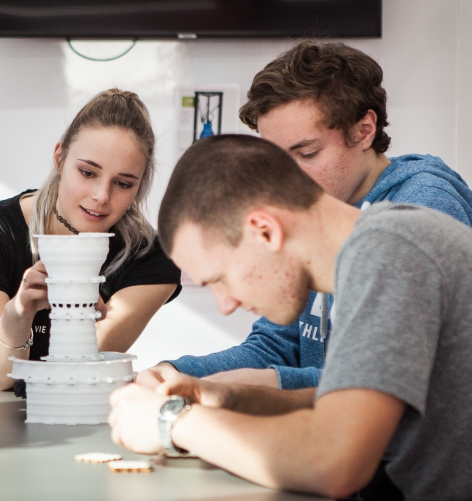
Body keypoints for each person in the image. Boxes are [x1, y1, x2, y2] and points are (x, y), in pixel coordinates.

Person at [109, 134, 472, 501]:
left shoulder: (389, 252)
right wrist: (231, 397)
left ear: (264, 231)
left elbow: (333, 460)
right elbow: (355, 404)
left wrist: (171, 423)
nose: (225, 304)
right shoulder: (383, 245)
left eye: (220, 278)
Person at [139, 42, 472, 390]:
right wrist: (177, 373)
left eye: (307, 153)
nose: (287, 177)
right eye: (274, 160)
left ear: (364, 130)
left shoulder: (422, 210)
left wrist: (263, 384)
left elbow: (389, 384)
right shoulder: (308, 223)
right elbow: (276, 346)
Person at [0, 89, 181, 391]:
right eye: (87, 172)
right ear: (60, 158)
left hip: (78, 409)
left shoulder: (152, 256)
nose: (101, 196)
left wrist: (82, 318)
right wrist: (19, 312)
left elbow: (75, 369)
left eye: (123, 183)